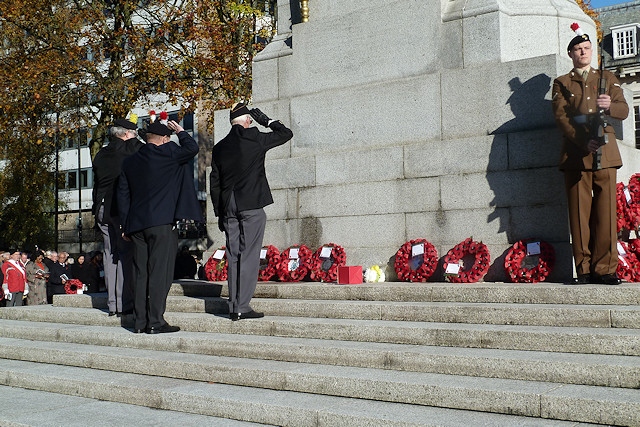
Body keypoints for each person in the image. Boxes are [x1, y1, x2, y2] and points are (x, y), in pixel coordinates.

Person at [552, 24, 629, 285]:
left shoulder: (606, 78)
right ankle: (584, 269)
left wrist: (610, 106)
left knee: (606, 213)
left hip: (605, 152)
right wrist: (583, 142)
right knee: (579, 212)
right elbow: (562, 118)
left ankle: (605, 269)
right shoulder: (562, 83)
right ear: (570, 54)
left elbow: (624, 109)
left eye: (586, 48)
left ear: (591, 51)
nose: (582, 52)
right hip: (576, 153)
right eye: (577, 49)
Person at [210, 103, 293, 320]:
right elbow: (286, 134)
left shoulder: (219, 147)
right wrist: (268, 121)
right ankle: (242, 307)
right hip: (251, 204)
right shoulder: (255, 137)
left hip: (228, 206)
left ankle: (233, 305)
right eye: (251, 120)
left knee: (234, 255)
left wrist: (219, 212)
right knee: (248, 256)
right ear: (248, 121)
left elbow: (215, 182)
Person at [117, 120, 202, 334]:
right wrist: (181, 132)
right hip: (162, 223)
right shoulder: (169, 153)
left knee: (139, 274)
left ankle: (139, 322)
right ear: (164, 139)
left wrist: (125, 225)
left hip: (136, 225)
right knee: (159, 273)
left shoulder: (130, 162)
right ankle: (155, 321)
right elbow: (192, 148)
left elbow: (123, 196)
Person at [93, 119, 142, 316]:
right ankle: (123, 302)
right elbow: (140, 147)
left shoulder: (102, 154)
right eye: (133, 132)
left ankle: (112, 303)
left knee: (109, 253)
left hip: (102, 207)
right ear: (125, 133)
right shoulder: (129, 150)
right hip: (118, 208)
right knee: (125, 254)